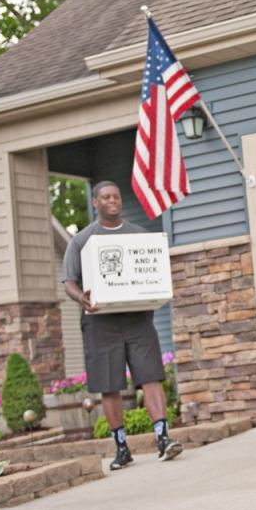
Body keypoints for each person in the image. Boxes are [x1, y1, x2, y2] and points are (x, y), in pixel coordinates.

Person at [61, 181, 181, 470]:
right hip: (99, 321)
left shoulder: (139, 236)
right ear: (95, 202)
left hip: (138, 317)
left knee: (151, 376)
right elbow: (69, 282)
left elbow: (152, 270)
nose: (112, 200)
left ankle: (163, 439)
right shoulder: (82, 241)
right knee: (109, 384)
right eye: (106, 197)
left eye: (116, 196)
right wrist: (82, 299)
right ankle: (121, 447)